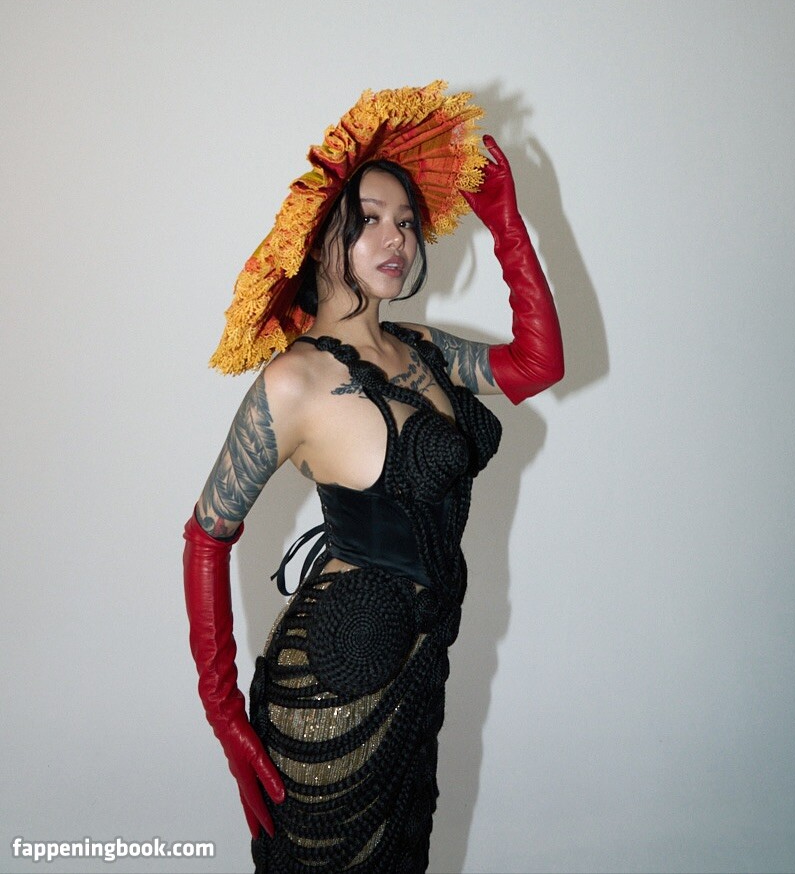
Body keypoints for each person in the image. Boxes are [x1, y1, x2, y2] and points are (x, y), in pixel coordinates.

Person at [183, 82, 563, 873]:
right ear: (322, 236)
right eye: (370, 221)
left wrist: (506, 223)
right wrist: (224, 716)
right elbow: (206, 536)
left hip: (419, 681)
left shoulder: (424, 347)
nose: (397, 238)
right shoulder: (292, 383)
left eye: (406, 221)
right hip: (330, 695)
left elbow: (538, 365)